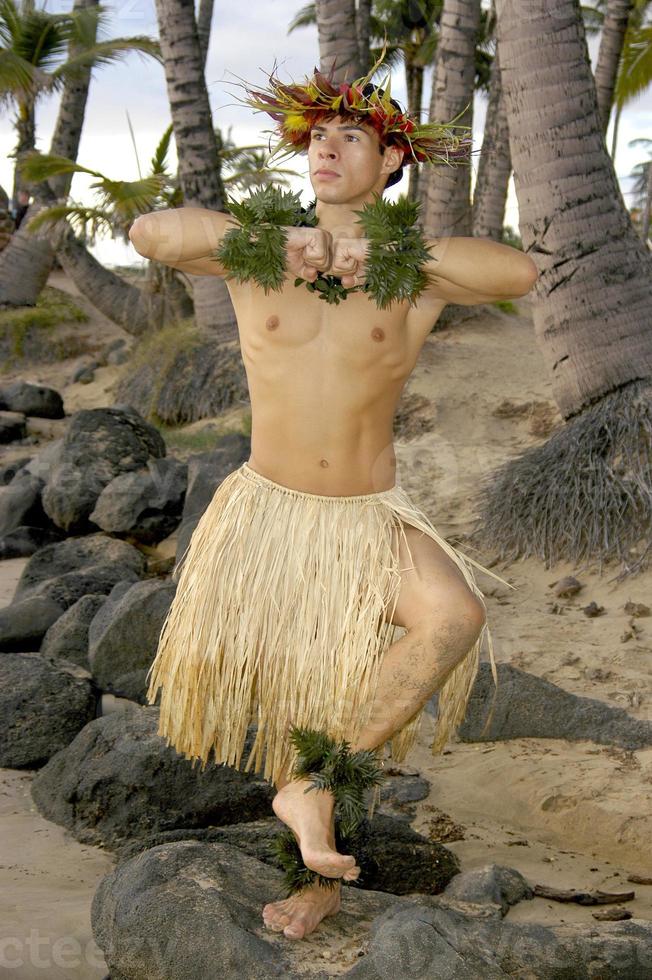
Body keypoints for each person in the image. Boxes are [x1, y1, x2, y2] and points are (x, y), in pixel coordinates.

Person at [130, 53, 537, 941]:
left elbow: (517, 273)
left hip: (367, 515)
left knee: (451, 617)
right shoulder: (252, 252)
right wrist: (278, 243)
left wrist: (380, 250)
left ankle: (310, 789)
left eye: (351, 136)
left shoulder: (411, 275)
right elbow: (149, 234)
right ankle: (316, 881)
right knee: (299, 698)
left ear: (392, 161)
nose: (326, 149)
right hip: (270, 511)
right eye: (316, 136)